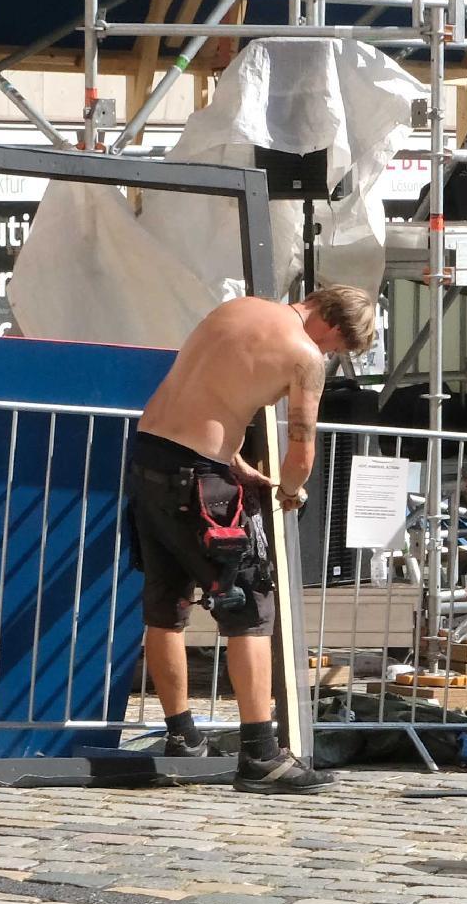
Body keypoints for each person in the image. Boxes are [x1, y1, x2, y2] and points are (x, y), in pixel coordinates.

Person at [128, 284, 377, 792]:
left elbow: (206, 401)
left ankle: (182, 737)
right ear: (332, 328)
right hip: (198, 479)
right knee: (250, 608)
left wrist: (238, 467)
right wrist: (289, 491)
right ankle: (261, 754)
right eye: (337, 349)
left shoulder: (237, 307)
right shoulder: (305, 356)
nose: (329, 355)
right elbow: (302, 447)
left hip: (150, 457)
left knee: (166, 603)